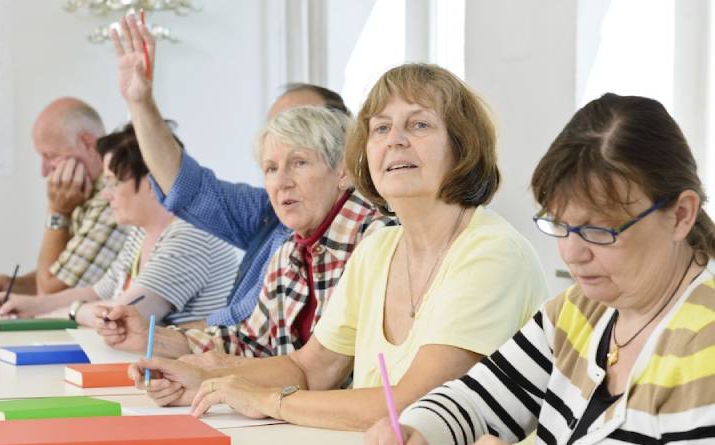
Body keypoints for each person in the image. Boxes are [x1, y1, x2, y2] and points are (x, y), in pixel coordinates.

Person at [124, 63, 548, 431]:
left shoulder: (490, 252)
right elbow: (311, 368)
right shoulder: (379, 248)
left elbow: (413, 406)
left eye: (418, 124)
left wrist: (268, 400)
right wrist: (205, 382)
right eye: (381, 128)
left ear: (463, 148)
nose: (395, 140)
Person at [365, 93, 715, 444]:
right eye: (560, 225)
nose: (572, 252)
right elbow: (475, 399)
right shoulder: (581, 311)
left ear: (680, 215)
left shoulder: (705, 344)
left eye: (599, 230)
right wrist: (418, 430)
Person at [97, 104, 396, 361]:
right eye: (270, 169)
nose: (282, 182)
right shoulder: (290, 250)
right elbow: (250, 343)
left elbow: (318, 372)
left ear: (343, 171)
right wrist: (151, 339)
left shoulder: (378, 240)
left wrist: (225, 382)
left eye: (299, 163)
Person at [110, 15, 351, 329]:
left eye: (301, 129)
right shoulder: (269, 210)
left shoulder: (364, 232)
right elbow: (188, 189)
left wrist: (183, 338)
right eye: (275, 133)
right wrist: (139, 102)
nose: (282, 177)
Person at [0, 124, 238, 327]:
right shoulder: (142, 231)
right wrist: (30, 305)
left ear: (152, 182)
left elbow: (121, 317)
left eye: (113, 183)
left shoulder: (189, 235)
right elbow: (99, 293)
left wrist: (70, 311)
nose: (107, 195)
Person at [0, 97, 127, 298]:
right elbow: (68, 273)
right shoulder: (86, 192)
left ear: (87, 143)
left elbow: (51, 294)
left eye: (51, 156)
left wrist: (57, 211)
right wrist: (10, 285)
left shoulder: (112, 198)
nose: (45, 171)